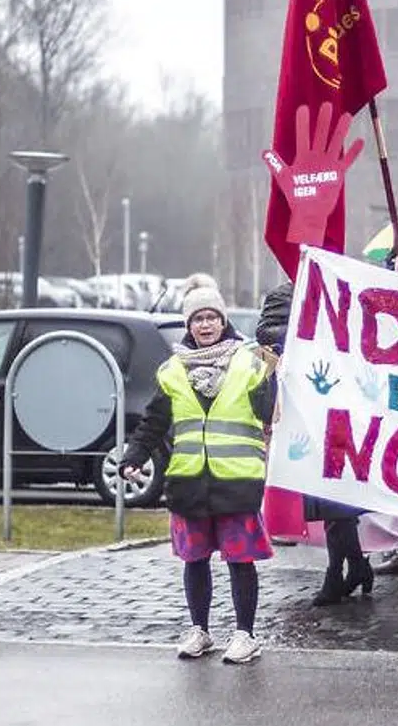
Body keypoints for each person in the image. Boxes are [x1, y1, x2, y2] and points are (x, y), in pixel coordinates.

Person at [120, 274, 275, 663]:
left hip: (237, 480)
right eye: (198, 319)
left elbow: (270, 411)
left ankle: (245, 634)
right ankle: (199, 630)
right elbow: (154, 422)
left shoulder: (250, 363)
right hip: (189, 481)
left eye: (212, 317)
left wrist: (273, 376)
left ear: (224, 321)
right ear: (188, 325)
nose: (206, 325)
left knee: (240, 561)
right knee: (195, 559)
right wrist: (133, 456)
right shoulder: (172, 370)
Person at [255, 281, 373, 606]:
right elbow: (265, 333)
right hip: (307, 413)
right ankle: (353, 568)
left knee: (339, 500)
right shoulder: (283, 294)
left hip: (343, 408)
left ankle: (341, 572)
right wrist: (305, 332)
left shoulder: (340, 287)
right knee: (328, 500)